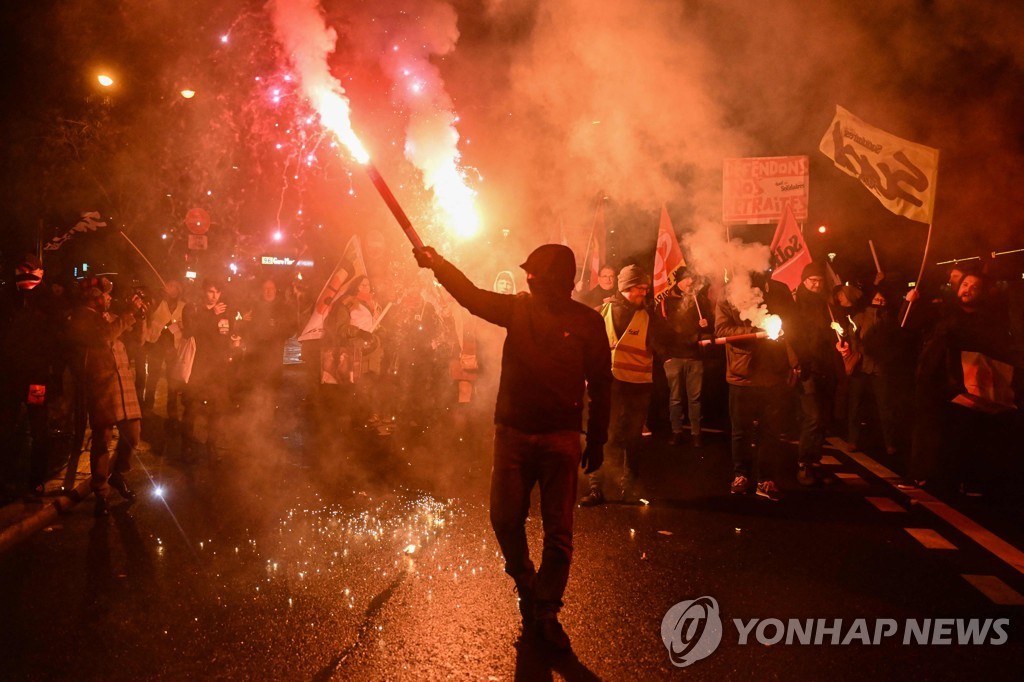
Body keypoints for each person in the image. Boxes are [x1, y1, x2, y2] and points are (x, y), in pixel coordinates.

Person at [414, 243, 611, 652]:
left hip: (560, 436)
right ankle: (527, 584)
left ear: (554, 279)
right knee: (504, 518)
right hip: (513, 433)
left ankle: (546, 609)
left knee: (559, 533)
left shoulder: (588, 322)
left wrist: (598, 436)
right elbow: (469, 296)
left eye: (534, 274)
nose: (528, 280)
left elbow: (602, 383)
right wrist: (437, 264)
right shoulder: (518, 309)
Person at [902, 272, 1022, 493]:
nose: (967, 290)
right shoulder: (941, 310)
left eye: (974, 287)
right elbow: (908, 324)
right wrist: (910, 303)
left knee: (964, 432)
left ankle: (963, 479)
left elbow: (997, 349)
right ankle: (922, 475)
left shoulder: (987, 320)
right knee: (927, 430)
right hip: (933, 380)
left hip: (965, 383)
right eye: (965, 284)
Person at [580, 264, 661, 505]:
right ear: (625, 287)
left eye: (646, 289)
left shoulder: (650, 317)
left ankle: (630, 488)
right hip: (608, 385)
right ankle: (596, 488)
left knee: (633, 438)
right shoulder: (601, 312)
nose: (643, 293)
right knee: (602, 435)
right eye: (638, 288)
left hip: (638, 385)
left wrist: (692, 340)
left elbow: (665, 344)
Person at [68, 277, 147, 516]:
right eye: (105, 294)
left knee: (133, 434)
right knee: (102, 440)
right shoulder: (82, 318)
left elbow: (138, 342)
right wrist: (129, 312)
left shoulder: (111, 318)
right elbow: (105, 336)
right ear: (94, 297)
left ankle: (117, 474)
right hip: (102, 386)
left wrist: (140, 318)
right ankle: (101, 490)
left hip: (123, 385)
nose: (110, 298)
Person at [716, 274, 794, 502]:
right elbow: (721, 330)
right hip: (742, 374)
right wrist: (756, 333)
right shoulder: (728, 295)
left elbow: (793, 324)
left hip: (773, 373)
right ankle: (741, 475)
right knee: (741, 430)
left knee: (770, 431)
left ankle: (766, 479)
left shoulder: (779, 291)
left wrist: (793, 360)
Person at [0, 254, 61, 502]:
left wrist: (54, 377)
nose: (24, 276)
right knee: (5, 429)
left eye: (29, 271)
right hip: (11, 377)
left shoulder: (49, 302)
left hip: (37, 379)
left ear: (40, 272)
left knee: (39, 431)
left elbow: (58, 343)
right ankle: (5, 479)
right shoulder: (8, 299)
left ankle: (36, 481)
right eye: (20, 271)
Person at [790, 262, 842, 486]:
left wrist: (840, 339)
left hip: (826, 367)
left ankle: (816, 461)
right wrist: (797, 362)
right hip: (807, 368)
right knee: (813, 417)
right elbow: (791, 337)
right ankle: (804, 463)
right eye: (812, 280)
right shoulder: (795, 305)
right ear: (804, 281)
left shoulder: (826, 305)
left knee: (823, 418)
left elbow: (832, 333)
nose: (817, 285)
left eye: (820, 281)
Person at [182, 279, 237, 462]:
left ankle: (211, 445)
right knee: (192, 407)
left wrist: (234, 341)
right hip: (197, 367)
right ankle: (187, 444)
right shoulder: (193, 308)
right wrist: (211, 314)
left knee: (217, 409)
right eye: (211, 291)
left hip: (218, 369)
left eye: (217, 292)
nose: (214, 296)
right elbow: (191, 331)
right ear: (203, 291)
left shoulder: (224, 311)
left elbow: (226, 333)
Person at [659, 270, 712, 447]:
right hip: (674, 357)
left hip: (695, 357)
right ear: (679, 281)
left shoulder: (701, 301)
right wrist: (665, 356)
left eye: (692, 278)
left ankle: (696, 433)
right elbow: (659, 330)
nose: (690, 282)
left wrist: (706, 325)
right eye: (687, 278)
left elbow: (711, 326)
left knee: (695, 399)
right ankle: (677, 431)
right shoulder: (667, 302)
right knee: (675, 398)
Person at [143, 281, 186, 420]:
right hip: (157, 344)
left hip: (173, 347)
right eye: (169, 286)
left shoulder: (183, 306)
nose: (171, 289)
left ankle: (172, 410)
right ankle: (147, 407)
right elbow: (150, 318)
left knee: (172, 379)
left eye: (174, 287)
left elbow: (185, 324)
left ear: (179, 291)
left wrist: (176, 326)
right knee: (153, 377)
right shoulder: (158, 303)